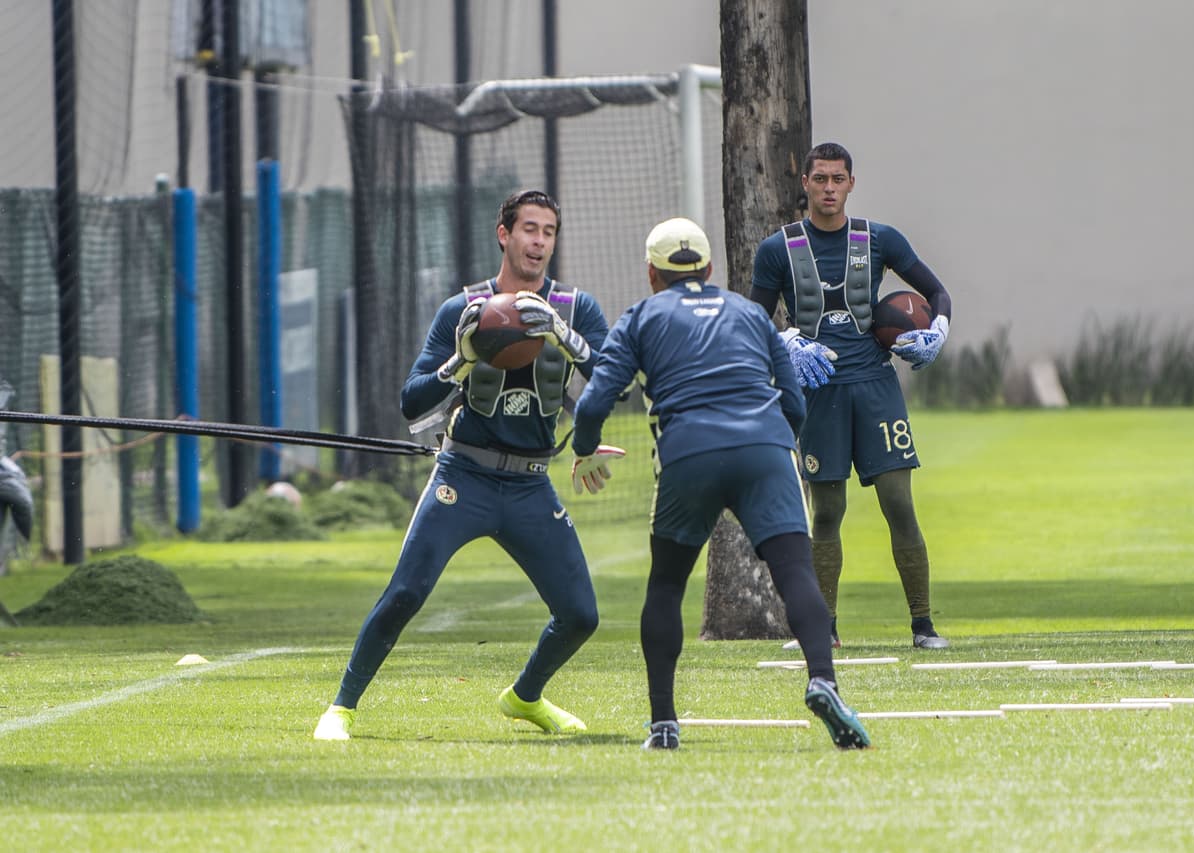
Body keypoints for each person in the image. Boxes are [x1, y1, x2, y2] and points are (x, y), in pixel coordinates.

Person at [314, 190, 610, 740]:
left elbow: (614, 380)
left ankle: (525, 697)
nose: (539, 241)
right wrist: (464, 359)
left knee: (581, 616)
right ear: (504, 234)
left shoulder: (576, 308)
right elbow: (411, 400)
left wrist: (562, 337)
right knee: (405, 592)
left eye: (548, 231)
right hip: (463, 478)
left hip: (529, 485)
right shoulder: (463, 310)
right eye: (529, 229)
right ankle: (341, 708)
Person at [571, 217, 871, 751]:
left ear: (651, 273)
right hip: (767, 448)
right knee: (796, 573)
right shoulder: (750, 312)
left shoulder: (641, 316)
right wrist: (776, 448)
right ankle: (823, 680)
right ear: (709, 269)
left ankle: (663, 723)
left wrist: (584, 447)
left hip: (690, 454)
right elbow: (794, 400)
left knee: (666, 584)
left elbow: (596, 400)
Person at [751, 142, 953, 651]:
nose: (828, 189)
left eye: (837, 179)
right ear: (805, 183)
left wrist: (938, 332)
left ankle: (923, 626)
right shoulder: (778, 249)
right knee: (825, 512)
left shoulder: (879, 239)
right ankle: (824, 630)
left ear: (851, 183)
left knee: (899, 505)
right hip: (818, 390)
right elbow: (753, 320)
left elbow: (937, 292)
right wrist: (787, 338)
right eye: (819, 179)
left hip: (875, 386)